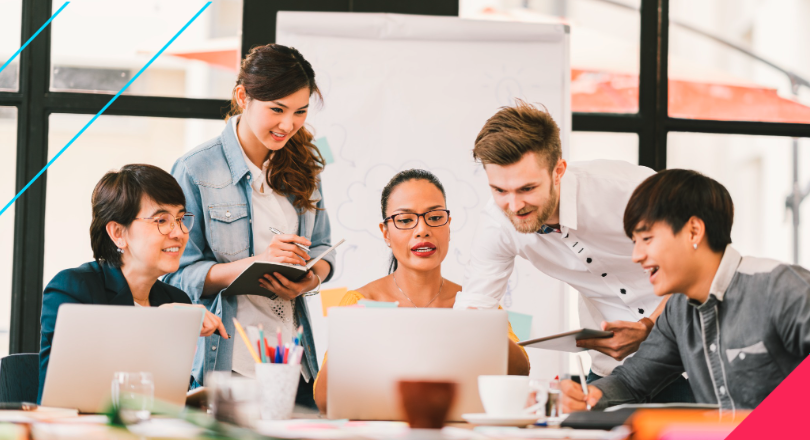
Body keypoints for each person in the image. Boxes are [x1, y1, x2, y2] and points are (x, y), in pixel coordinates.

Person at [561, 169, 810, 413]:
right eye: (634, 242)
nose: (636, 256)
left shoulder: (781, 288)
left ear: (694, 230)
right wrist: (589, 396)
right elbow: (633, 381)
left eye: (647, 239)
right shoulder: (679, 310)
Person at [454, 101, 693, 402]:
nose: (514, 206)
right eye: (500, 190)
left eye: (527, 189)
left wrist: (648, 327)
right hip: (617, 372)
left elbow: (700, 266)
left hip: (695, 357)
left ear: (558, 171)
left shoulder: (629, 189)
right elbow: (475, 310)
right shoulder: (497, 224)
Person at [163, 43, 335, 408]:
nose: (288, 124)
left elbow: (322, 248)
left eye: (300, 111)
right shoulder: (195, 169)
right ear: (243, 96)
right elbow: (174, 275)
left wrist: (311, 278)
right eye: (277, 109)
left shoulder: (307, 165)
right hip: (230, 363)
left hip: (294, 361)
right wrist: (252, 265)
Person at [313, 169, 530, 413]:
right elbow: (324, 402)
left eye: (435, 217)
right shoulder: (361, 302)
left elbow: (521, 372)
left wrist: (482, 330)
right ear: (386, 233)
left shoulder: (476, 302)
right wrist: (350, 337)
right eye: (405, 220)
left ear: (449, 225)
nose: (422, 230)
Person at [38, 164, 227, 403]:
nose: (178, 232)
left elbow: (168, 395)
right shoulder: (72, 289)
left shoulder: (175, 300)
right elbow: (73, 387)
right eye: (161, 220)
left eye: (180, 218)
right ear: (118, 233)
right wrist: (155, 322)